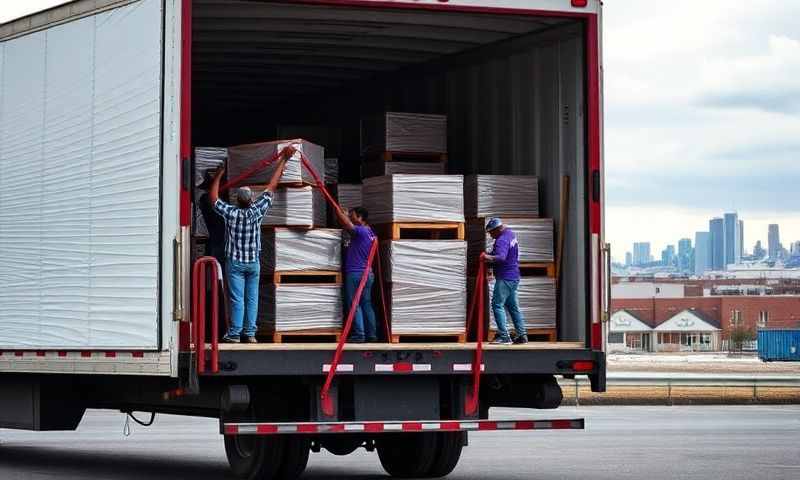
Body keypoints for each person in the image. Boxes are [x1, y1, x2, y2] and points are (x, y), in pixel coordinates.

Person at [209, 151, 291, 343]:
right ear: (251, 199)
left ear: (237, 200)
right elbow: (272, 185)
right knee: (252, 299)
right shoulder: (257, 211)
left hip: (235, 263)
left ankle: (235, 334)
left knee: (237, 299)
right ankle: (251, 333)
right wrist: (284, 160)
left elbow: (213, 199)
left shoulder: (230, 213)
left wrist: (219, 176)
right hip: (253, 263)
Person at [334, 205, 378, 343]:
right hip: (367, 274)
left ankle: (359, 335)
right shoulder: (371, 233)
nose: (351, 219)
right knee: (366, 303)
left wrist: (339, 212)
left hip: (356, 274)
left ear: (360, 218)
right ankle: (372, 335)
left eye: (353, 216)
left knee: (354, 303)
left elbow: (347, 224)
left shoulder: (361, 231)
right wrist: (346, 214)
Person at [483, 217, 528, 345]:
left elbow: (501, 257)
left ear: (497, 229)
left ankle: (504, 336)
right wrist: (491, 262)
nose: (491, 236)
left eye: (491, 232)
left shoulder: (501, 240)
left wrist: (487, 257)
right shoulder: (510, 234)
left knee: (497, 304)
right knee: (513, 307)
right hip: (514, 277)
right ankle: (522, 335)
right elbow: (500, 254)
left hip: (505, 278)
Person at [196, 170, 226, 264]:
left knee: (213, 243)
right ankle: (215, 267)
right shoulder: (206, 198)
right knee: (217, 246)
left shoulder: (203, 197)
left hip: (213, 232)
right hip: (216, 232)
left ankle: (211, 264)